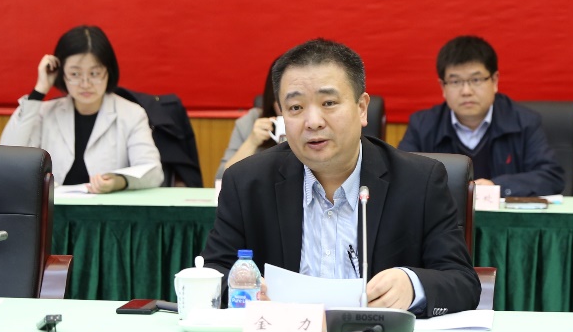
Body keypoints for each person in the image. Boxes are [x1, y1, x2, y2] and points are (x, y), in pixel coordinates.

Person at [202, 39, 480, 317]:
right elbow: (213, 274)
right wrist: (242, 288)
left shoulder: (419, 181)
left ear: (362, 108)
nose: (313, 121)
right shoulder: (246, 182)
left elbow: (462, 282)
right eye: (296, 108)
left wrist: (412, 285)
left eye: (329, 103)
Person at [0, 25, 163, 192]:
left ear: (108, 71)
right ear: (62, 74)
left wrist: (120, 181)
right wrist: (39, 90)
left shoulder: (132, 114)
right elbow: (8, 157)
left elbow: (153, 172)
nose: (85, 84)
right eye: (75, 74)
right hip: (53, 206)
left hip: (105, 206)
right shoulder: (44, 112)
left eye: (94, 73)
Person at [398, 35, 564, 197]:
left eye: (476, 80)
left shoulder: (525, 123)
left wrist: (497, 187)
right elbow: (401, 177)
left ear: (495, 81)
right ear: (443, 87)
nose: (466, 91)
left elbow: (551, 177)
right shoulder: (422, 126)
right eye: (455, 82)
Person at [215, 60, 284, 180]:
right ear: (271, 97)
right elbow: (221, 179)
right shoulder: (250, 121)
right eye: (281, 99)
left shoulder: (314, 124)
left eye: (296, 106)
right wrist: (252, 142)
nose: (287, 108)